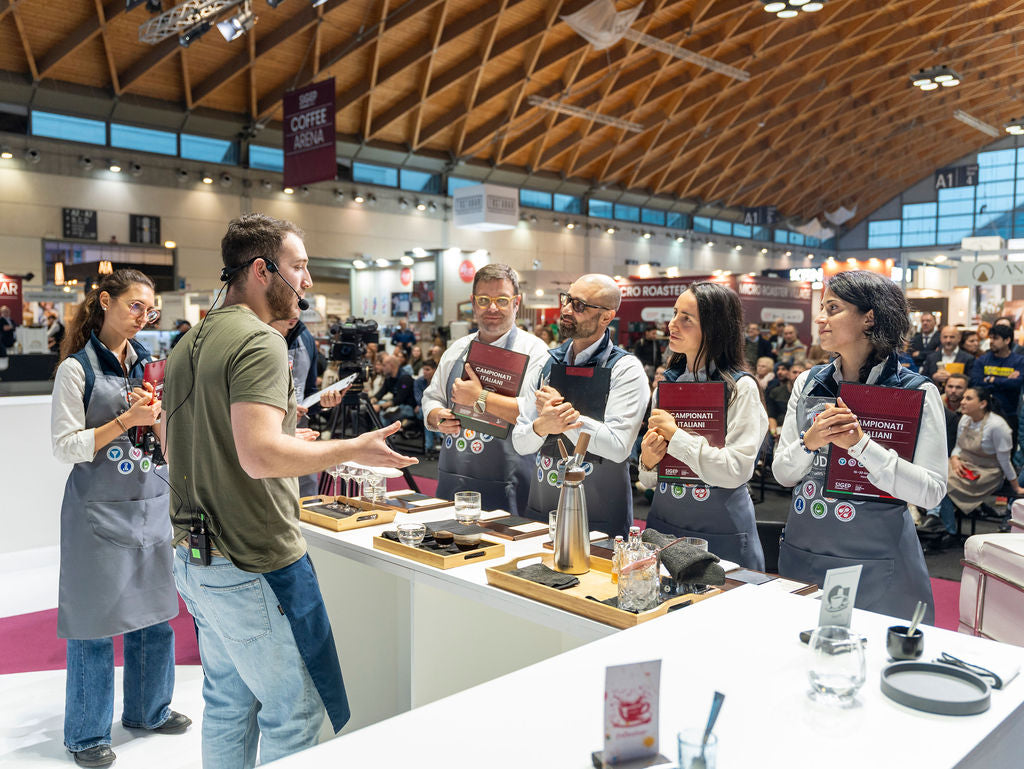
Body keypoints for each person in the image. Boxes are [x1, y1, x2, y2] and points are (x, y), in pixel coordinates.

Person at [161, 213, 416, 769]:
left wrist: (277, 433)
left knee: (229, 703)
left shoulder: (191, 340)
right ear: (261, 270)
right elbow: (258, 457)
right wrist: (348, 449)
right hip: (252, 559)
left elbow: (173, 433)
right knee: (294, 714)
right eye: (299, 267)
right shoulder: (259, 341)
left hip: (196, 553)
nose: (306, 281)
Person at [51, 269, 189, 768]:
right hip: (96, 514)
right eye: (134, 306)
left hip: (149, 503)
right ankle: (86, 735)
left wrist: (157, 422)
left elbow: (168, 446)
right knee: (93, 624)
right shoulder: (76, 370)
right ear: (105, 302)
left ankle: (149, 710)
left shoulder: (150, 367)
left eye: (149, 309)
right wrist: (123, 422)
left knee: (155, 617)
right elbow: (64, 446)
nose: (142, 317)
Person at [771, 271, 946, 624]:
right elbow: (782, 475)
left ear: (869, 317)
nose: (820, 318)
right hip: (804, 550)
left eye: (832, 308)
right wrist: (810, 443)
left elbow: (931, 493)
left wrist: (861, 445)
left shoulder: (917, 392)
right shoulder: (808, 382)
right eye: (822, 308)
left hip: (877, 560)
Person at [637, 282, 768, 569]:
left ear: (715, 327)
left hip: (722, 532)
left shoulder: (741, 388)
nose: (672, 324)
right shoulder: (667, 386)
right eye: (674, 314)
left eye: (687, 318)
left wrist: (676, 436)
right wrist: (647, 461)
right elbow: (649, 481)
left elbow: (736, 469)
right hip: (665, 526)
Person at [513, 274, 648, 537]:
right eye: (567, 299)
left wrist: (562, 416)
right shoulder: (545, 362)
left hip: (599, 517)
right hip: (542, 509)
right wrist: (542, 426)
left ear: (607, 317)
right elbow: (521, 443)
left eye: (579, 305)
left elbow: (619, 448)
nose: (565, 310)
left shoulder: (625, 369)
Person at [422, 263, 549, 513]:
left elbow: (537, 417)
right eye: (484, 299)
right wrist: (436, 416)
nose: (492, 308)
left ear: (516, 302)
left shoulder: (535, 352)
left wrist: (479, 398)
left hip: (510, 481)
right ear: (473, 302)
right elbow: (432, 396)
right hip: (454, 476)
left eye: (502, 300)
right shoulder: (456, 349)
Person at [917, 386, 1022, 540]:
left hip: (988, 472)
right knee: (933, 472)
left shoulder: (997, 426)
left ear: (983, 404)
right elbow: (958, 447)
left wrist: (1016, 487)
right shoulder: (965, 419)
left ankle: (948, 529)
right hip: (964, 464)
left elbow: (1005, 461)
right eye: (964, 398)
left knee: (943, 485)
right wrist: (954, 459)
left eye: (968, 398)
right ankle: (944, 525)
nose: (963, 402)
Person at [269, 317, 343, 497]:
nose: (295, 310)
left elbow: (309, 391)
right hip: (266, 432)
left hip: (301, 430)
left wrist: (323, 402)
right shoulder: (260, 335)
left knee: (306, 490)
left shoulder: (306, 337)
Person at [969, 324, 1024, 421]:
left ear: (1007, 340)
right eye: (990, 338)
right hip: (985, 412)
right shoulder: (982, 360)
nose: (991, 341)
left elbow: (1016, 384)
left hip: (1010, 413)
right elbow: (976, 383)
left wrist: (990, 379)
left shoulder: (1019, 361)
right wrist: (1005, 382)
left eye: (995, 338)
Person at [373, 353, 417, 428]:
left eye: (384, 365)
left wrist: (380, 406)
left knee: (384, 414)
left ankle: (386, 438)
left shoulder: (405, 378)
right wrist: (372, 401)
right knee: (376, 406)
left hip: (409, 407)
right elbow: (380, 393)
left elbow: (399, 399)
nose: (382, 368)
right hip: (396, 406)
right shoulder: (389, 378)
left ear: (391, 365)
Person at [414, 358, 439, 457]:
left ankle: (429, 448)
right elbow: (419, 399)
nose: (424, 372)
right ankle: (440, 435)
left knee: (427, 415)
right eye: (423, 369)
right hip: (421, 410)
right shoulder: (418, 381)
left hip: (434, 409)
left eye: (427, 369)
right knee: (426, 412)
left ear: (435, 370)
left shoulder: (439, 382)